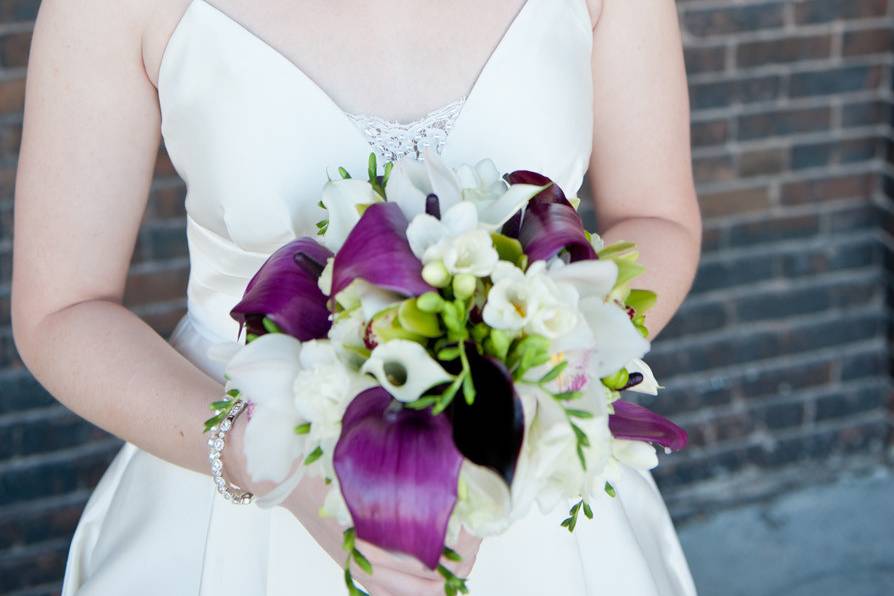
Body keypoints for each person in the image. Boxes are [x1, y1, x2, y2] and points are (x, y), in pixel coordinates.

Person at [11, 0, 703, 594]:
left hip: (532, 490)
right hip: (241, 494)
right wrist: (264, 457)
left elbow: (657, 218)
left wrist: (548, 373)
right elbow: (63, 309)